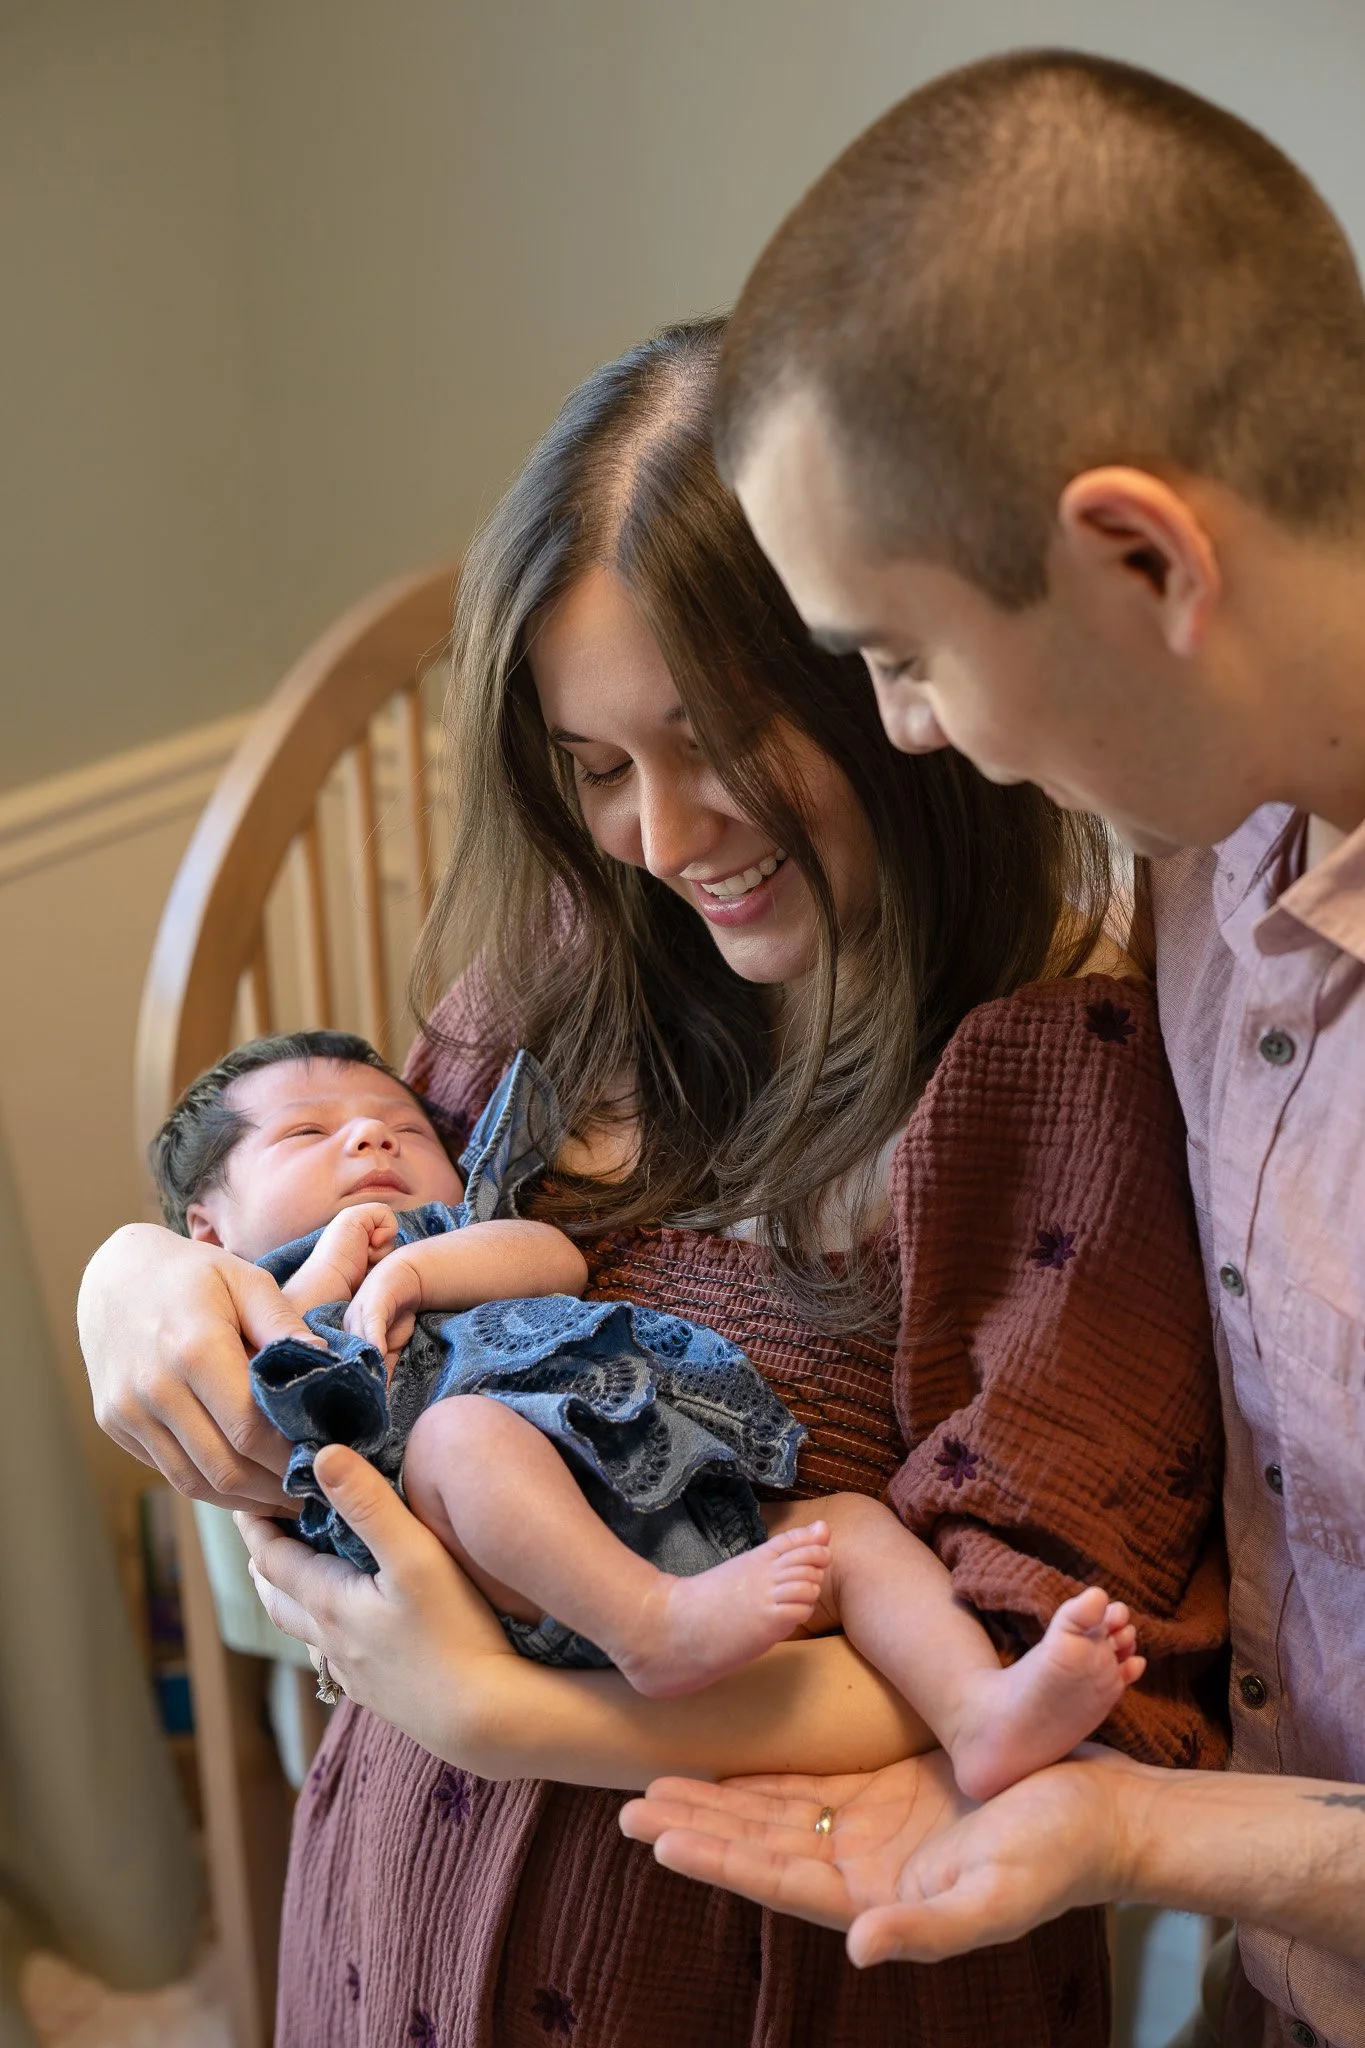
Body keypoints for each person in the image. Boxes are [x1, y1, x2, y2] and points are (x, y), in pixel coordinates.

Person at [79, 320, 1224, 2048]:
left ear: (882, 679)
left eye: (715, 740)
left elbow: (1021, 1680)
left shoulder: (1055, 1075)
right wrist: (138, 1279)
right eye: (598, 767)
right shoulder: (555, 982)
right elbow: (321, 1256)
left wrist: (508, 1714)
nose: (667, 834)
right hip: (383, 1942)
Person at [618, 53, 1365, 2048]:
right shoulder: (1213, 838)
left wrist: (1133, 1837)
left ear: (1144, 563)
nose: (912, 730)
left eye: (895, 652)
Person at [154, 1032, 1146, 1779]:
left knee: (849, 1531)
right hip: (498, 1569)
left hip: (661, 1497)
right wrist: (326, 1266)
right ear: (209, 1226)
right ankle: (648, 1622)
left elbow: (556, 1260)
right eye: (307, 1133)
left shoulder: (457, 1234)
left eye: (404, 1126)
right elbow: (259, 1411)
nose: (371, 1134)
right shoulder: (235, 1299)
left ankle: (978, 1710)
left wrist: (412, 1264)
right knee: (461, 1433)